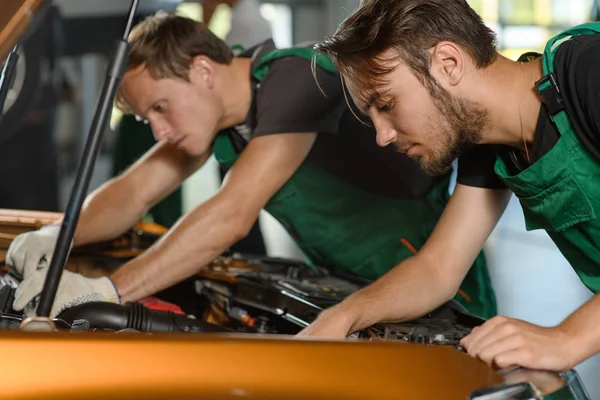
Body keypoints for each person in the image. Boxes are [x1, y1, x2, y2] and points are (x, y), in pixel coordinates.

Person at [6, 13, 496, 323]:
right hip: (347, 284)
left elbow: (231, 214)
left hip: (437, 289)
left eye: (160, 107)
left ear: (202, 70)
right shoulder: (220, 111)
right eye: (144, 117)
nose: (158, 130)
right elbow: (132, 193)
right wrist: (59, 236)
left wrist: (108, 290)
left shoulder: (298, 79)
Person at [297, 0, 600, 374]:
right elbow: (438, 269)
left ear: (448, 64)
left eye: (386, 104)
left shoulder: (590, 69)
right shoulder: (488, 142)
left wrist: (566, 338)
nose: (382, 135)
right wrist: (342, 317)